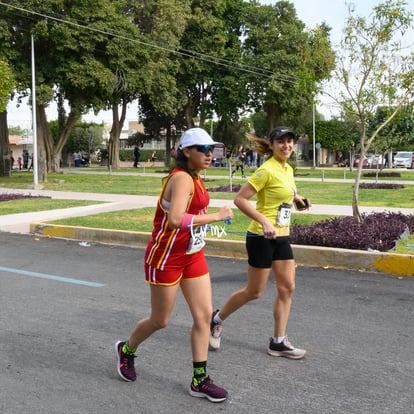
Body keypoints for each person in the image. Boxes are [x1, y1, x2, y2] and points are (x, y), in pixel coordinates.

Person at [115, 127, 233, 403]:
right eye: (203, 149)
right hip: (166, 257)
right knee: (160, 320)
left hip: (191, 254)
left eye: (211, 149)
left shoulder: (196, 177)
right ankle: (127, 350)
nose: (209, 154)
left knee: (204, 316)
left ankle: (199, 380)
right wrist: (216, 216)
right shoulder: (181, 179)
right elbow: (177, 219)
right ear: (186, 151)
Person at [210, 126, 308, 360]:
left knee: (288, 287)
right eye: (281, 142)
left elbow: (283, 193)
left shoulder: (288, 169)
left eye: (289, 141)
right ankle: (216, 319)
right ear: (272, 145)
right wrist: (264, 220)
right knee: (254, 292)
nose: (286, 146)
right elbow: (240, 199)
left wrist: (297, 199)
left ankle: (278, 341)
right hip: (260, 237)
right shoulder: (265, 171)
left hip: (281, 235)